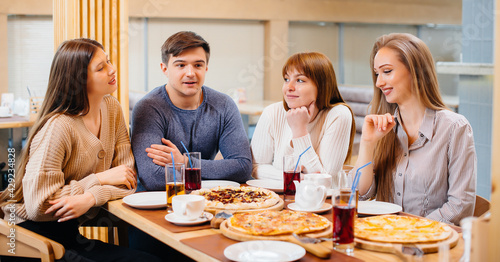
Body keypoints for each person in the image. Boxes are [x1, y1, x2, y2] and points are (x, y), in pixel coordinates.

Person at [0, 38, 160, 262]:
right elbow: (40, 205)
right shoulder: (58, 127)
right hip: (26, 240)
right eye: (101, 67)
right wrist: (100, 179)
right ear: (80, 80)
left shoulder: (112, 108)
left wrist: (92, 197)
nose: (112, 69)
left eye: (108, 61)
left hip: (67, 235)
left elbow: (128, 180)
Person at [354, 33, 476, 226]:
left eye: (387, 71)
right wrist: (368, 143)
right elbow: (359, 195)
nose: (378, 83)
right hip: (385, 238)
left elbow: (460, 205)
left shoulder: (454, 127)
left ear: (415, 70)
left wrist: (411, 230)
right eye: (377, 74)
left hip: (431, 244)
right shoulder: (384, 127)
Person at [131, 30, 252, 190]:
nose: (190, 73)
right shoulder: (148, 108)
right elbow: (153, 178)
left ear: (206, 68)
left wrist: (185, 162)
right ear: (165, 69)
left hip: (206, 201)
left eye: (198, 65)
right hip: (157, 203)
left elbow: (242, 167)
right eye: (181, 65)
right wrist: (212, 172)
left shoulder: (224, 105)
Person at [251, 52, 355, 180]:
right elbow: (255, 167)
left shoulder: (339, 114)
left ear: (322, 85)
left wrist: (299, 131)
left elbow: (325, 181)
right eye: (286, 79)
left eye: (300, 80)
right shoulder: (272, 112)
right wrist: (296, 178)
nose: (289, 87)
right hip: (278, 197)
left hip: (324, 199)